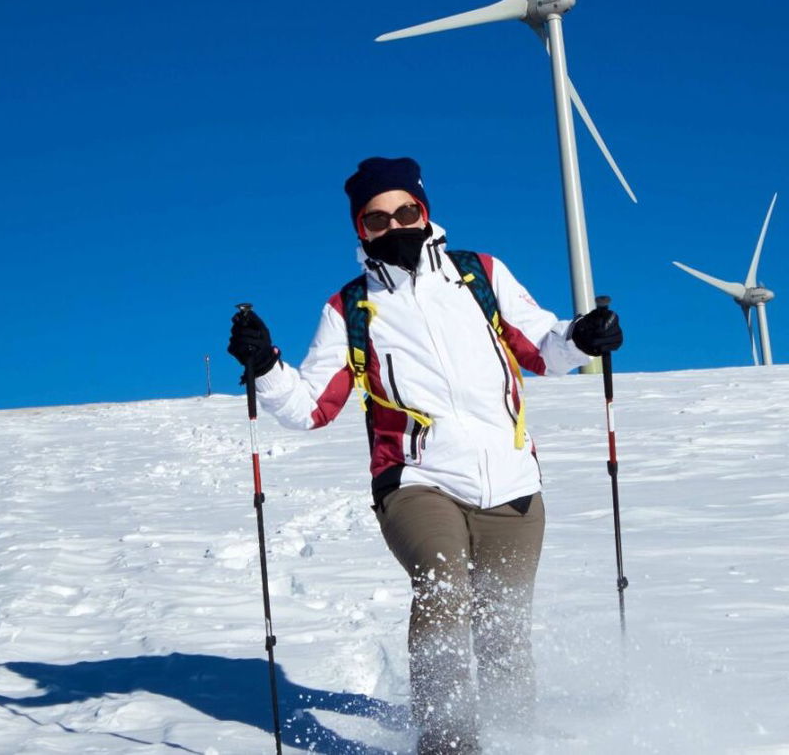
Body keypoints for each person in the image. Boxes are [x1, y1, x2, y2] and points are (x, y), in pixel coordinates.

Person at [227, 156, 623, 755]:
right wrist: (266, 366)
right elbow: (312, 406)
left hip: (511, 482)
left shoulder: (479, 274)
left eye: (404, 212)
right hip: (414, 481)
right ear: (360, 230)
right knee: (442, 589)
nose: (394, 227)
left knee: (503, 625)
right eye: (376, 219)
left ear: (425, 211)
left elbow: (541, 344)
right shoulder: (350, 308)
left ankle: (515, 735)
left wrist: (581, 336)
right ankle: (446, 742)